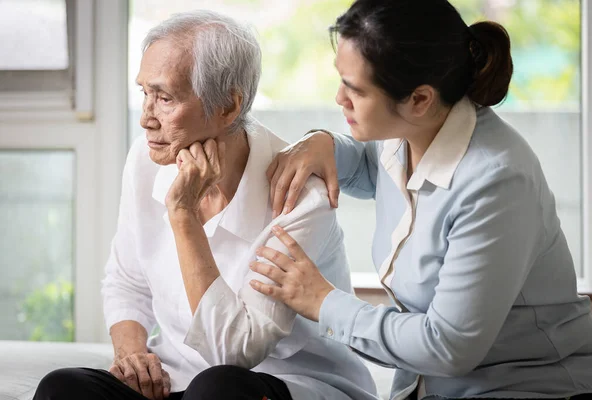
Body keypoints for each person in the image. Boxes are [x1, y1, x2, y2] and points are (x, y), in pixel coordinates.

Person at [249, 1, 592, 399]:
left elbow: (447, 346)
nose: (338, 99)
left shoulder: (497, 182)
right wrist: (325, 144)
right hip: (431, 387)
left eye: (355, 90)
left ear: (419, 99)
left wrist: (323, 301)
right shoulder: (409, 133)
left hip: (531, 386)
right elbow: (374, 169)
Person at [32, 10, 378, 400]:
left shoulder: (300, 198)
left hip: (285, 383)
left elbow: (234, 353)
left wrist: (183, 216)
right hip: (178, 380)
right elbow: (126, 282)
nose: (147, 118)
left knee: (218, 389)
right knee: (61, 388)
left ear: (228, 107)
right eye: (144, 93)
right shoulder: (146, 159)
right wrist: (133, 357)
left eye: (164, 98)